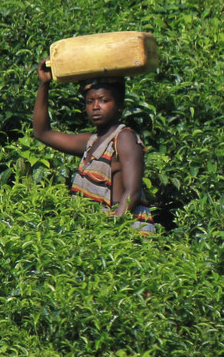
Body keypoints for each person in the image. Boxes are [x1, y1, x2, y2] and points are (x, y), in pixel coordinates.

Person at [32, 59, 158, 233]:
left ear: (119, 105)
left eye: (104, 100)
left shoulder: (125, 138)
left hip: (126, 233)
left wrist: (111, 231)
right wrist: (44, 85)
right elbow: (42, 133)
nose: (95, 107)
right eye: (90, 102)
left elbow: (132, 193)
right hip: (100, 232)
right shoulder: (90, 142)